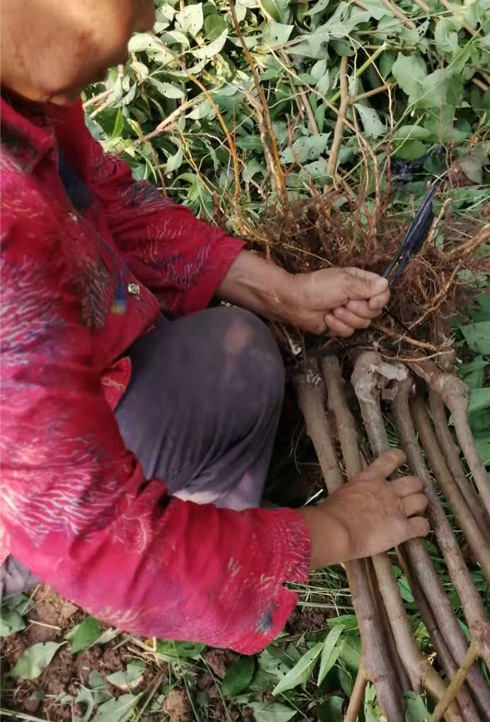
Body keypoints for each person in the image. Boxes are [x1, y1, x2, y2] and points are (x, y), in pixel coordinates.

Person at [0, 0, 430, 653]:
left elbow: (98, 198)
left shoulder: (23, 86)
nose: (147, 21)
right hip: (24, 500)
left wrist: (282, 293)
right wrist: (336, 529)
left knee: (230, 354)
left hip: (60, 398)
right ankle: (180, 558)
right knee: (235, 370)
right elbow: (97, 536)